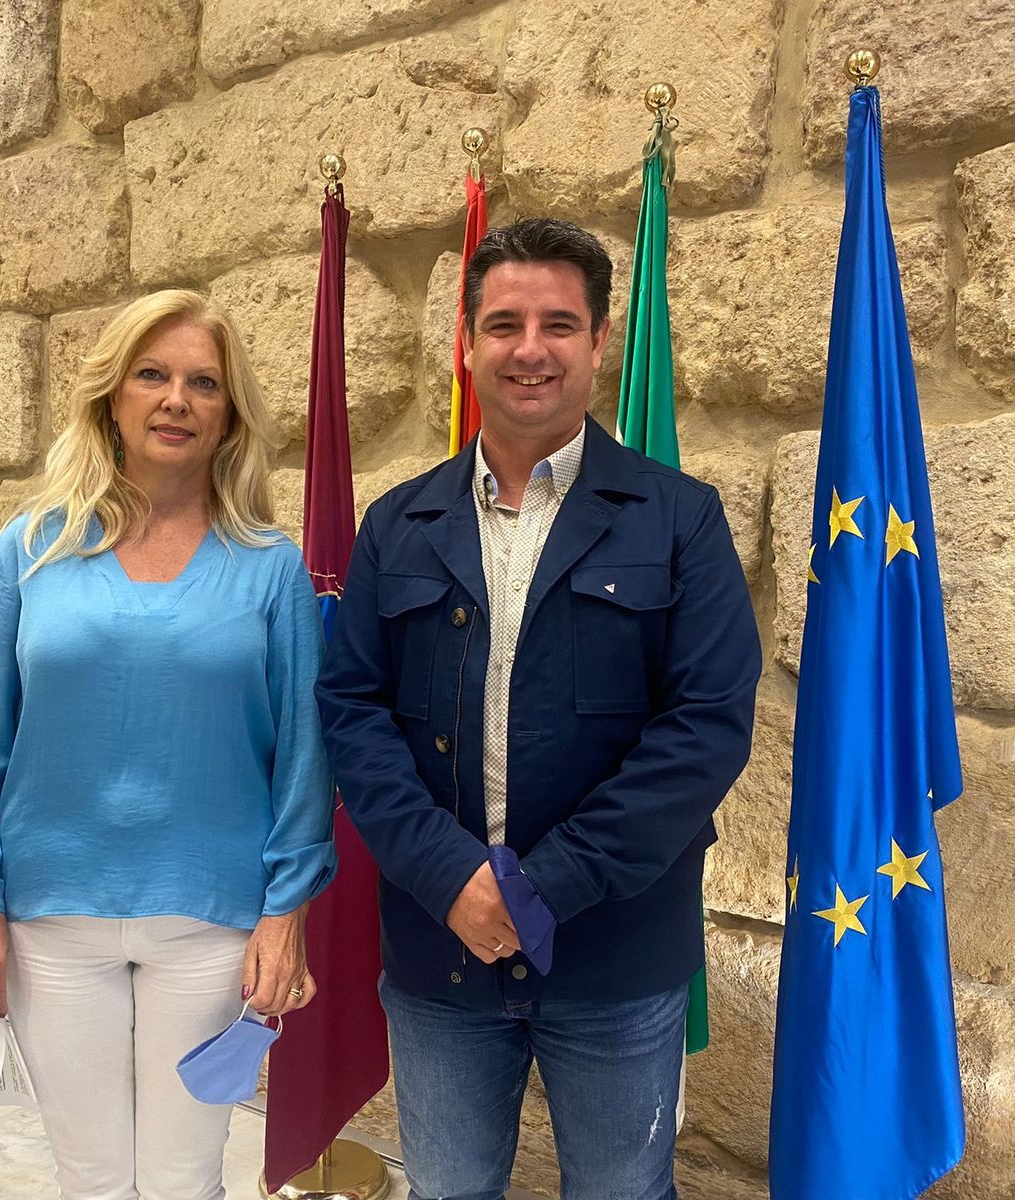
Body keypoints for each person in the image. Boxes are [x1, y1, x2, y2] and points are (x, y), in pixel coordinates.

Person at [317, 219, 761, 1200]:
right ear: (464, 346)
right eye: (503, 322)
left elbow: (705, 727)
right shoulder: (398, 524)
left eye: (558, 323)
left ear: (598, 343)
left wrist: (540, 888)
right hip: (440, 954)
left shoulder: (679, 519)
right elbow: (352, 710)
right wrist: (451, 877)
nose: (530, 348)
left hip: (614, 954)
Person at [0, 290, 336, 1200]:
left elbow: (303, 759)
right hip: (50, 918)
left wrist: (287, 915)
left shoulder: (269, 565)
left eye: (204, 383)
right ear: (110, 398)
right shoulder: (30, 549)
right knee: (90, 1177)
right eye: (151, 375)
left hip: (210, 919)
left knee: (183, 1175)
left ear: (229, 413)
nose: (176, 399)